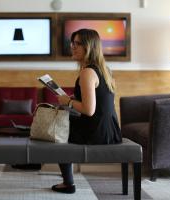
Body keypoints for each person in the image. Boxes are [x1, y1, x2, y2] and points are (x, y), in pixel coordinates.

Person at [52, 28, 122, 194]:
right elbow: (103, 105)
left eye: (78, 44)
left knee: (59, 128)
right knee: (65, 120)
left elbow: (89, 110)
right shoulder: (105, 70)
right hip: (111, 130)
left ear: (89, 47)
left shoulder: (87, 72)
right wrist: (73, 100)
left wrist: (67, 101)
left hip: (96, 133)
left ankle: (67, 183)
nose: (73, 47)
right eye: (72, 43)